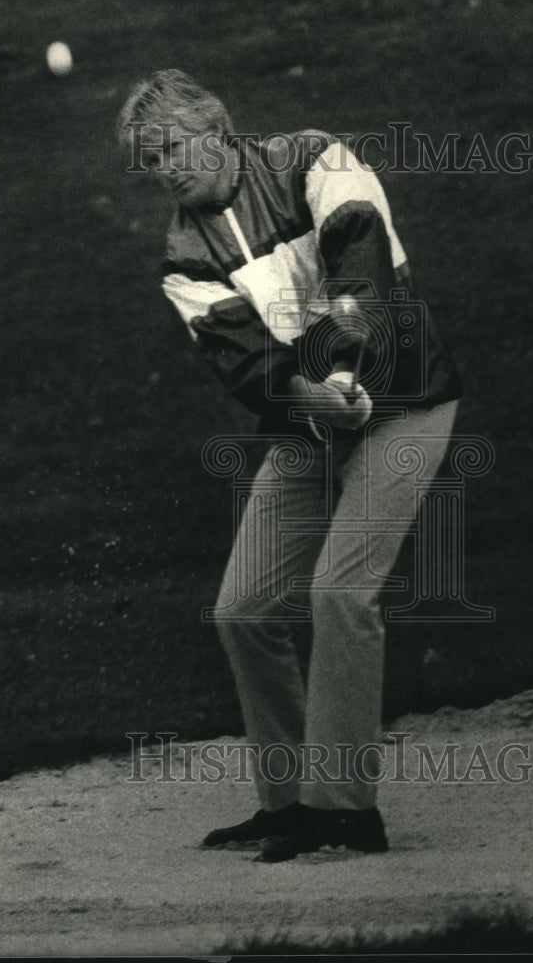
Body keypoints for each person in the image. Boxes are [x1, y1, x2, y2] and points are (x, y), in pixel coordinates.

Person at [117, 70, 461, 862]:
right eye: (149, 159)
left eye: (170, 147)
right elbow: (244, 367)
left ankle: (344, 809)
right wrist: (310, 395)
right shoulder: (183, 253)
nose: (163, 168)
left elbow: (361, 274)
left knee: (341, 591)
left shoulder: (314, 159)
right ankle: (288, 801)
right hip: (311, 424)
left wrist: (333, 371)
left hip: (408, 400)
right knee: (243, 609)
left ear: (218, 128)